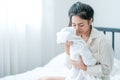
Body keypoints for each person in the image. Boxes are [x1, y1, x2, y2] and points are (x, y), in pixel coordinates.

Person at [40, 1, 114, 80]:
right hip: (78, 76)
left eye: (81, 25)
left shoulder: (103, 41)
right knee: (44, 79)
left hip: (95, 78)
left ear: (90, 21)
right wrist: (68, 48)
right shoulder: (74, 38)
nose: (77, 29)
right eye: (74, 24)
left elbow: (107, 70)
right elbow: (69, 66)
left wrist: (85, 68)